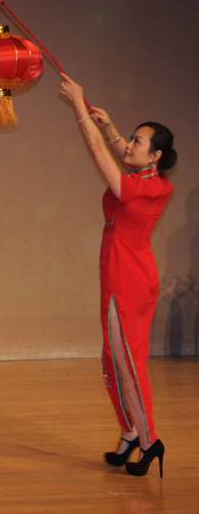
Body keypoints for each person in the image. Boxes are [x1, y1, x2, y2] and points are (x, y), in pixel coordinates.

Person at [59, 73, 177, 478]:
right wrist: (110, 127)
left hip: (131, 281)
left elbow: (100, 156)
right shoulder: (140, 177)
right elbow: (117, 152)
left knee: (129, 363)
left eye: (138, 141)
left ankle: (149, 441)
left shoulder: (153, 188)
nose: (130, 144)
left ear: (156, 156)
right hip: (115, 274)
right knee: (112, 361)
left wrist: (79, 105)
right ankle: (129, 432)